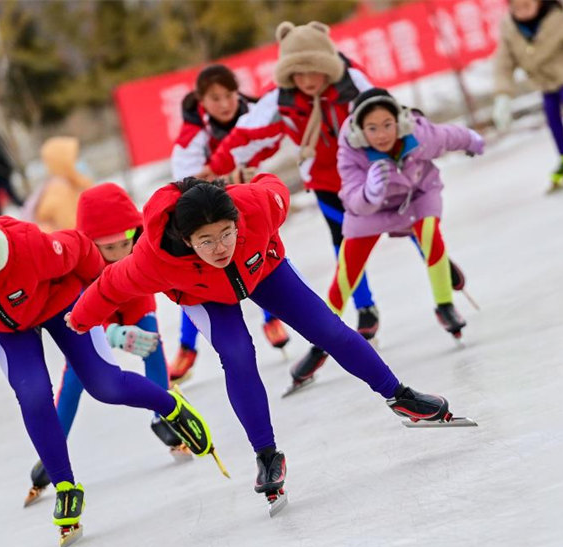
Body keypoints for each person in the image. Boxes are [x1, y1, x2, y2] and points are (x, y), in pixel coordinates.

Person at [65, 173, 458, 510]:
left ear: (237, 222)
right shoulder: (153, 259)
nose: (220, 248)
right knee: (237, 356)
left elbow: (273, 186)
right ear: (186, 241)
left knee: (329, 330)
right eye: (206, 241)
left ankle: (400, 396)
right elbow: (108, 287)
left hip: (265, 270)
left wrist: (254, 177)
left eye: (226, 234)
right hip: (202, 295)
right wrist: (79, 319)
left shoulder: (258, 206)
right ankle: (267, 456)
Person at [0, 206, 216, 547]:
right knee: (32, 395)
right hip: (4, 329)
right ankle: (66, 487)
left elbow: (80, 247)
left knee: (104, 384)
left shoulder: (30, 249)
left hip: (58, 301)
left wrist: (108, 298)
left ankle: (171, 405)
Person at [199, 22, 468, 382]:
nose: (308, 80)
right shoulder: (279, 98)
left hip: (373, 176)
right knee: (347, 247)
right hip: (327, 184)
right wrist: (212, 170)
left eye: (314, 70)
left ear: (328, 65)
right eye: (298, 72)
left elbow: (391, 118)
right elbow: (245, 137)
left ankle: (443, 295)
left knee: (419, 229)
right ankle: (365, 309)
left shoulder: (353, 84)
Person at [291, 89, 485, 386]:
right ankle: (321, 341)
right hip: (370, 211)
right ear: (359, 129)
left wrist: (472, 140)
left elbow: (449, 136)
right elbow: (353, 198)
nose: (381, 134)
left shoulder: (419, 134)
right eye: (372, 128)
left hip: (416, 196)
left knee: (430, 232)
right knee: (348, 269)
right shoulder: (350, 151)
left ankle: (445, 305)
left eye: (387, 125)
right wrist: (369, 192)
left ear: (399, 122)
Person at [24, 182, 189, 506]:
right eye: (107, 249)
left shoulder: (141, 253)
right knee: (75, 377)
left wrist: (140, 330)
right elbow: (79, 317)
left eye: (125, 243)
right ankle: (52, 451)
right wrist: (112, 335)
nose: (118, 254)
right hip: (92, 305)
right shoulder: (78, 264)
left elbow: (147, 307)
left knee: (152, 344)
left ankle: (163, 418)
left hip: (132, 296)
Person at [169, 64, 289, 382]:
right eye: (215, 98)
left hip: (247, 201)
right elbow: (185, 184)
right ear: (201, 101)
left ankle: (272, 316)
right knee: (195, 279)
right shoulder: (191, 136)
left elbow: (274, 143)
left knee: (264, 251)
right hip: (208, 213)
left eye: (228, 95)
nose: (224, 104)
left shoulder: (253, 112)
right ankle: (187, 347)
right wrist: (229, 177)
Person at [493, 0, 563, 191]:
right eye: (516, 9)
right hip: (543, 81)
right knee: (552, 116)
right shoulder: (510, 27)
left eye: (526, 6)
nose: (522, 12)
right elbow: (504, 62)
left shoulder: (560, 16)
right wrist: (503, 94)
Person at [22, 136, 92, 232]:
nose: (77, 161)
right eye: (74, 158)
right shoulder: (59, 189)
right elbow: (72, 225)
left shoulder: (67, 184)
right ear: (62, 162)